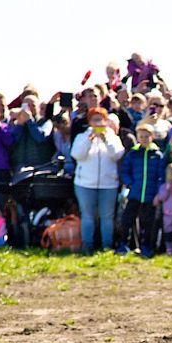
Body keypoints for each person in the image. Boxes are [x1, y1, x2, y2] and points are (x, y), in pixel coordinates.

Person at [71, 107, 124, 253]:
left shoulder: (113, 137)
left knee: (107, 216)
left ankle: (106, 246)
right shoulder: (82, 137)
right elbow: (77, 155)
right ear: (89, 122)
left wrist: (106, 139)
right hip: (85, 183)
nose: (98, 123)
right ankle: (87, 245)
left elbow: (117, 155)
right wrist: (89, 140)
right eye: (95, 119)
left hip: (108, 184)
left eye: (101, 119)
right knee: (87, 215)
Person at [117, 123, 164, 256]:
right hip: (135, 194)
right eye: (141, 136)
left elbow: (160, 176)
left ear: (152, 137)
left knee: (148, 223)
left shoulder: (157, 155)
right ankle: (123, 245)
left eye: (146, 136)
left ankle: (146, 247)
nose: (144, 138)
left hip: (150, 196)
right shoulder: (133, 154)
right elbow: (125, 171)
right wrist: (130, 184)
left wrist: (157, 193)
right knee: (127, 220)